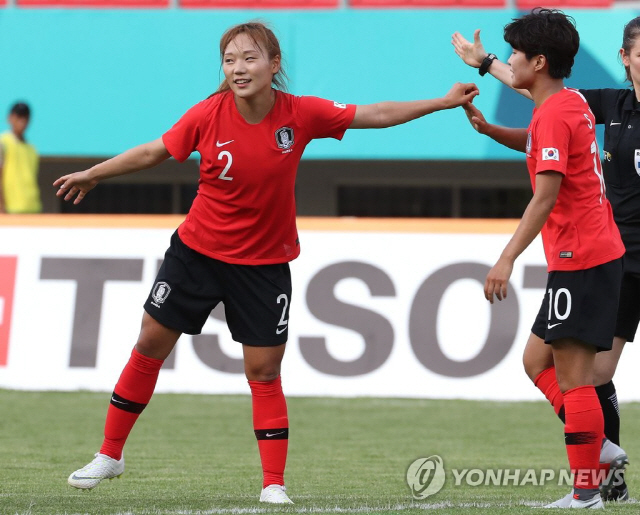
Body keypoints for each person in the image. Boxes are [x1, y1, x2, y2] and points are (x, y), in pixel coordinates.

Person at [56, 21, 479, 504]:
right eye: (230, 59)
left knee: (262, 372)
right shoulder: (207, 114)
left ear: (274, 65)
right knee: (150, 342)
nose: (239, 68)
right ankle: (110, 455)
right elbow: (155, 150)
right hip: (195, 252)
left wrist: (442, 102)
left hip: (262, 265)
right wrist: (94, 174)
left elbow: (377, 114)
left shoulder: (299, 114)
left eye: (250, 58)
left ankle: (273, 485)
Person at [452, 14, 640, 505]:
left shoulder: (558, 111)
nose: (508, 60)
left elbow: (545, 195)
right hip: (590, 255)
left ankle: (586, 493)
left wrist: (505, 258)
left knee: (577, 380)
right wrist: (491, 129)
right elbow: (540, 141)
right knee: (537, 361)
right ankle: (597, 446)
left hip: (583, 256)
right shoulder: (566, 103)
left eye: (515, 54)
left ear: (538, 62)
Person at [0, 102, 41, 214]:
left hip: (33, 207)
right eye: (19, 116)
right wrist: (1, 208)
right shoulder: (3, 142)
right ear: (10, 118)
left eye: (25, 117)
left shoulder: (31, 148)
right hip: (10, 209)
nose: (22, 121)